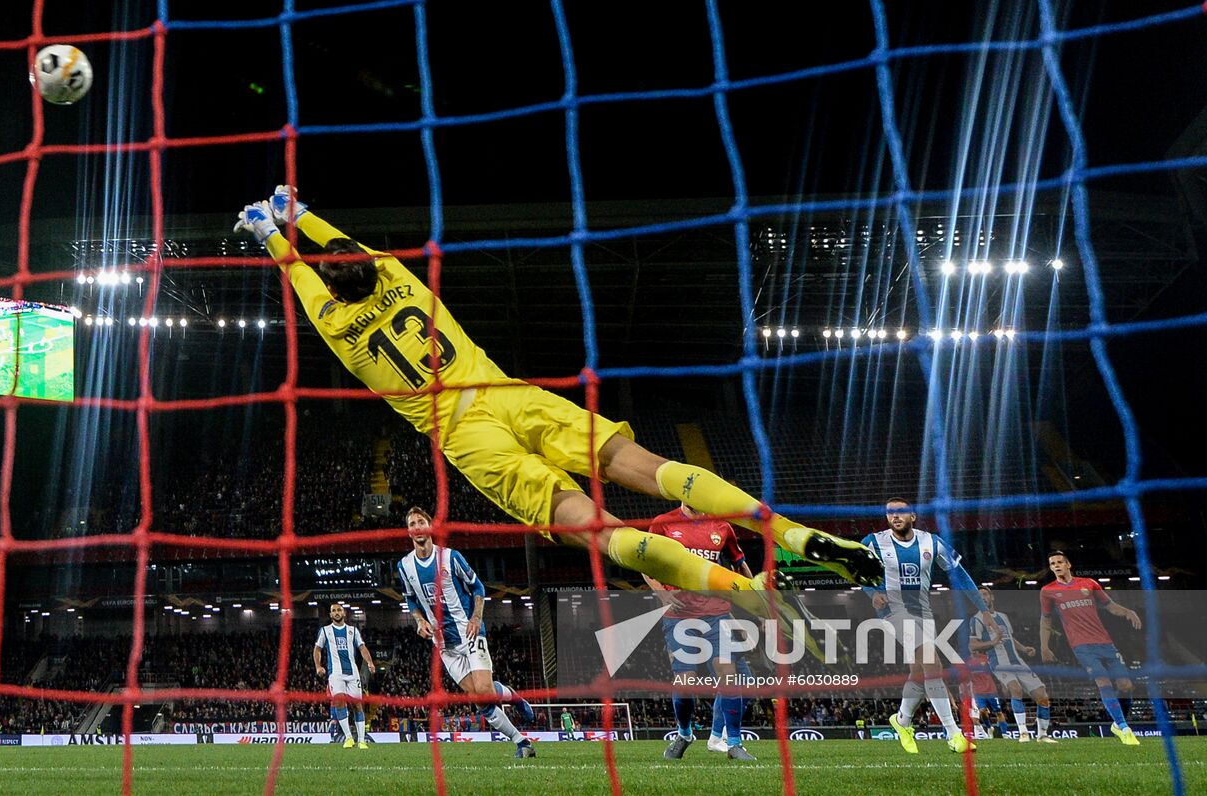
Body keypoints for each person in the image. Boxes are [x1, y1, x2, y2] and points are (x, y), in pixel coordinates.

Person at [231, 190, 883, 608]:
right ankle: (793, 534)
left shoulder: (341, 331)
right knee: (653, 469)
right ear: (374, 265)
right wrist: (297, 212)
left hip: (471, 440)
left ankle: (745, 593)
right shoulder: (402, 280)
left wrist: (268, 231)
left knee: (600, 530)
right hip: (512, 397)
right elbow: (342, 253)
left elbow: (300, 274)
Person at [397, 507, 537, 758]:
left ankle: (515, 699)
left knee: (483, 690)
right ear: (409, 532)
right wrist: (419, 621)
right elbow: (411, 600)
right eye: (412, 523)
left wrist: (476, 617)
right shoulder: (405, 566)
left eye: (421, 521)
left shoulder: (451, 558)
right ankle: (522, 742)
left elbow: (478, 587)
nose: (417, 526)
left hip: (469, 633)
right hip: (444, 644)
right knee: (480, 698)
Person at [862, 498, 995, 755]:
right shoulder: (873, 541)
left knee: (919, 673)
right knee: (932, 663)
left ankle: (901, 721)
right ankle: (953, 733)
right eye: (890, 513)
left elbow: (960, 574)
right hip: (893, 611)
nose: (895, 516)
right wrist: (871, 592)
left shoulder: (931, 542)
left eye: (901, 512)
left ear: (913, 516)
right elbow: (855, 568)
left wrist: (983, 608)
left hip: (923, 613)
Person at [644, 504, 755, 762]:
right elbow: (645, 562)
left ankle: (734, 744)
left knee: (730, 676)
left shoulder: (722, 526)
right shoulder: (664, 522)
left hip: (717, 612)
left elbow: (740, 564)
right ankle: (684, 733)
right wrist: (661, 592)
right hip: (680, 615)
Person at [1040, 551, 1142, 746]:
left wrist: (1127, 611)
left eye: (1060, 562)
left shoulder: (1089, 583)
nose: (1056, 565)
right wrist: (1044, 646)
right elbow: (1045, 620)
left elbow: (1110, 606)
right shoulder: (1048, 591)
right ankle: (1125, 728)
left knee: (1126, 686)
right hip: (1081, 646)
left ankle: (1117, 724)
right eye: (1052, 563)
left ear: (1068, 564)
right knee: (1103, 681)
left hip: (1105, 642)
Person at [970, 585, 1054, 743]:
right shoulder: (976, 619)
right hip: (999, 663)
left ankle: (1042, 735)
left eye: (985, 594)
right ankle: (1023, 733)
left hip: (1018, 661)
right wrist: (993, 641)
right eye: (979, 596)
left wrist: (1024, 649)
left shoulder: (1003, 617)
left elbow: (1010, 638)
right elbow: (973, 645)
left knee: (1042, 696)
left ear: (992, 597)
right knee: (1016, 689)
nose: (983, 597)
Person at [314, 603, 376, 749]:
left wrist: (370, 663)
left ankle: (361, 740)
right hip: (335, 673)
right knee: (339, 702)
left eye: (339, 610)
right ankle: (348, 738)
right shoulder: (325, 631)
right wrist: (318, 666)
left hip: (353, 673)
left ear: (344, 613)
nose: (336, 612)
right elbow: (317, 649)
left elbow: (362, 648)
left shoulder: (352, 631)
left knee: (357, 705)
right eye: (333, 610)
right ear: (330, 615)